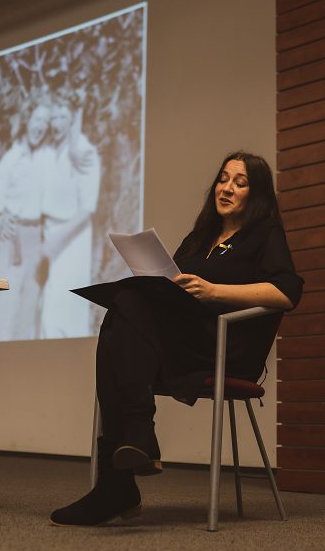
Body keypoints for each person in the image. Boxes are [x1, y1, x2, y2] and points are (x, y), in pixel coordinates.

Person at [50, 151, 304, 526]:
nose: (227, 188)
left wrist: (214, 291)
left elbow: (286, 292)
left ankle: (119, 478)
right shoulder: (200, 237)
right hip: (186, 340)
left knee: (125, 308)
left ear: (257, 194)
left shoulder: (264, 234)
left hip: (225, 346)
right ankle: (132, 449)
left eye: (240, 182)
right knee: (122, 311)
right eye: (223, 179)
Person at [0, 101, 52, 342]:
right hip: (11, 238)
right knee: (4, 308)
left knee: (29, 308)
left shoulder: (48, 159)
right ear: (27, 121)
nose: (41, 126)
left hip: (36, 237)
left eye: (46, 122)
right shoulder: (10, 159)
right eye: (37, 119)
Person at [39, 98, 101, 339]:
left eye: (63, 117)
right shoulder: (50, 152)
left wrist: (56, 240)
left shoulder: (84, 152)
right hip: (49, 235)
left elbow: (87, 209)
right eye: (53, 117)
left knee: (66, 311)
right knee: (48, 311)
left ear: (73, 119)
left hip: (72, 240)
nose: (57, 123)